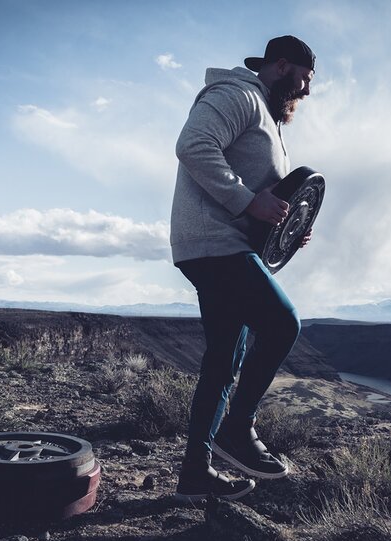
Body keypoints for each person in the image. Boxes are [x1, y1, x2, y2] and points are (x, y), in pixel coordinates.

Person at [170, 35, 316, 502]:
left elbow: (270, 199)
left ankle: (195, 473)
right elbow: (193, 146)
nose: (306, 91)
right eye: (304, 79)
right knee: (281, 324)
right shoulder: (238, 96)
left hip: (227, 245)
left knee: (223, 360)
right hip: (215, 244)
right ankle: (238, 428)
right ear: (280, 66)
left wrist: (287, 228)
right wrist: (249, 201)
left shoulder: (269, 119)